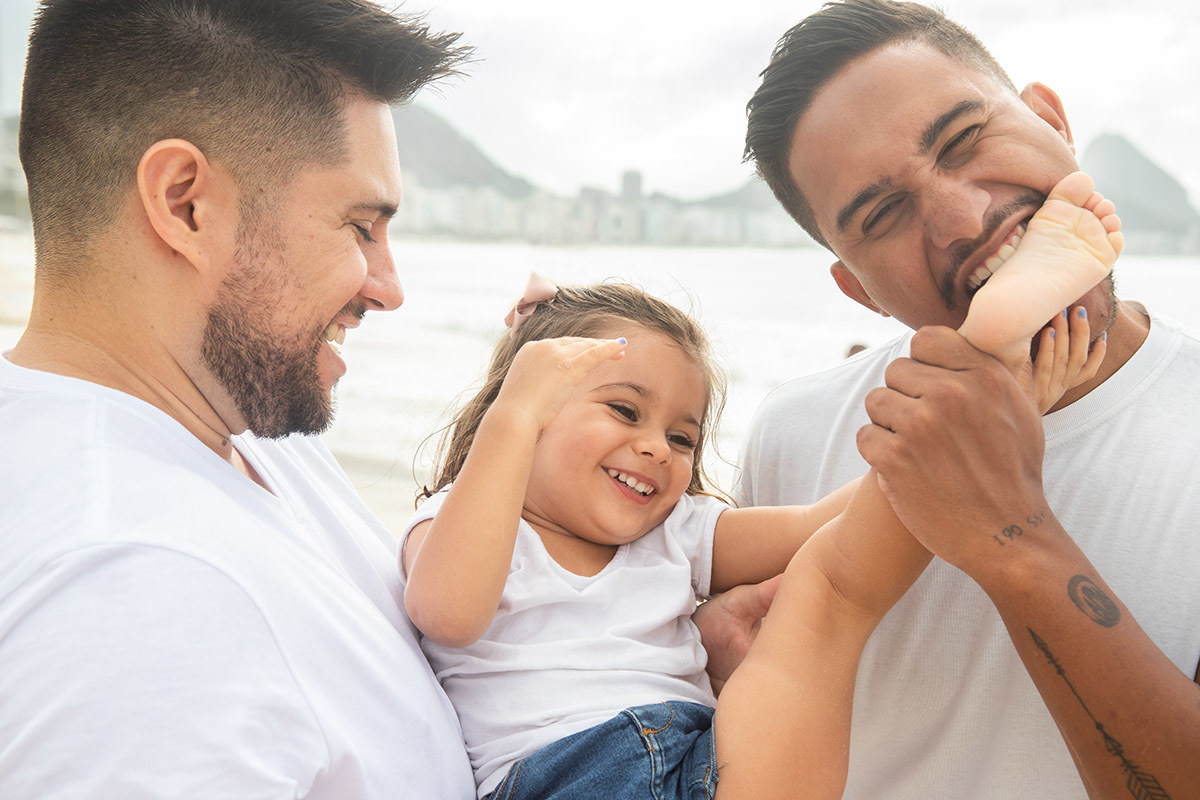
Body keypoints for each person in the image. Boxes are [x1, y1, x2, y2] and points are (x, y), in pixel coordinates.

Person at [401, 180, 1114, 800]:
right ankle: (983, 360)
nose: (656, 446)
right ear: (523, 413)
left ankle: (986, 366)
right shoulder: (465, 524)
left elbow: (824, 524)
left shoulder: (674, 531)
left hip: (716, 758)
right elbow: (449, 613)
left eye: (683, 437)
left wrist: (1005, 425)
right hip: (571, 775)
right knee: (829, 591)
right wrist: (514, 413)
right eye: (624, 410)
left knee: (827, 580)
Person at [0, 1, 483, 796]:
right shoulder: (137, 595)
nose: (389, 289)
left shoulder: (243, 436)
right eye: (360, 226)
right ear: (186, 203)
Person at [738, 1, 1200, 798]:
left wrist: (1007, 534)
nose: (965, 218)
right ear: (860, 291)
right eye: (882, 214)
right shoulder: (796, 432)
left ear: (1052, 120)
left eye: (963, 140)